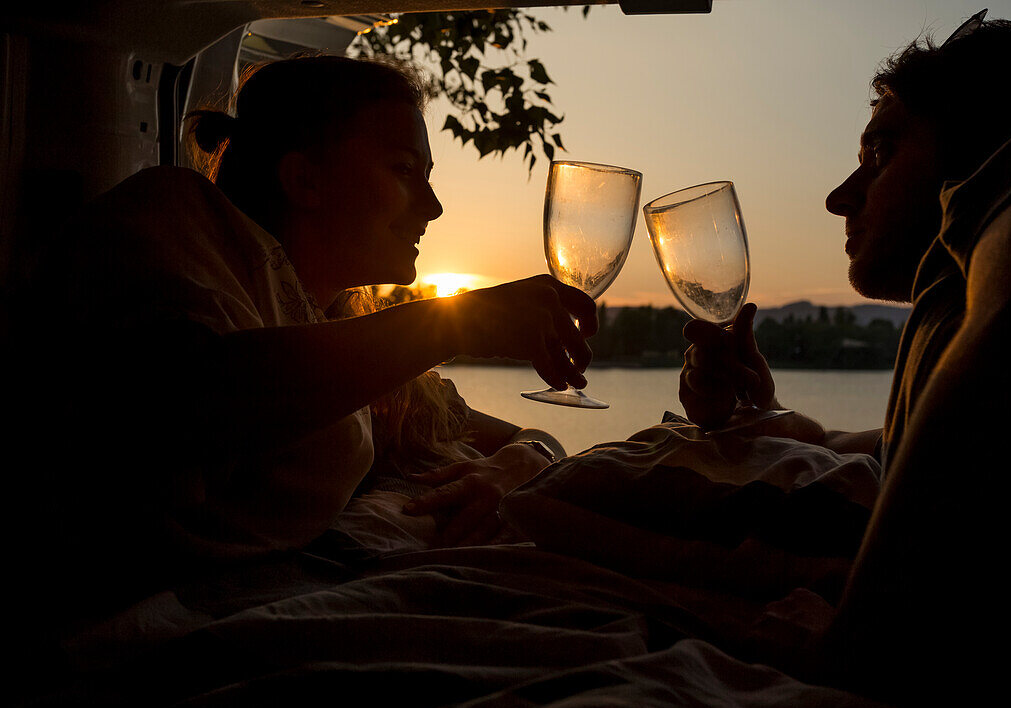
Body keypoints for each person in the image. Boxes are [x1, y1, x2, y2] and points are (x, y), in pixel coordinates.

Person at [37, 54, 596, 615]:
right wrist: (451, 324)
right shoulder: (172, 216)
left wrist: (524, 457)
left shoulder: (333, 327)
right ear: (305, 178)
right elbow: (189, 398)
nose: (433, 207)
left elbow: (500, 434)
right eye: (404, 170)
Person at [699, 15, 1011, 708]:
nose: (839, 196)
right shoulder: (964, 322)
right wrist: (758, 412)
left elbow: (862, 654)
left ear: (985, 160)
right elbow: (896, 454)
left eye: (880, 151)